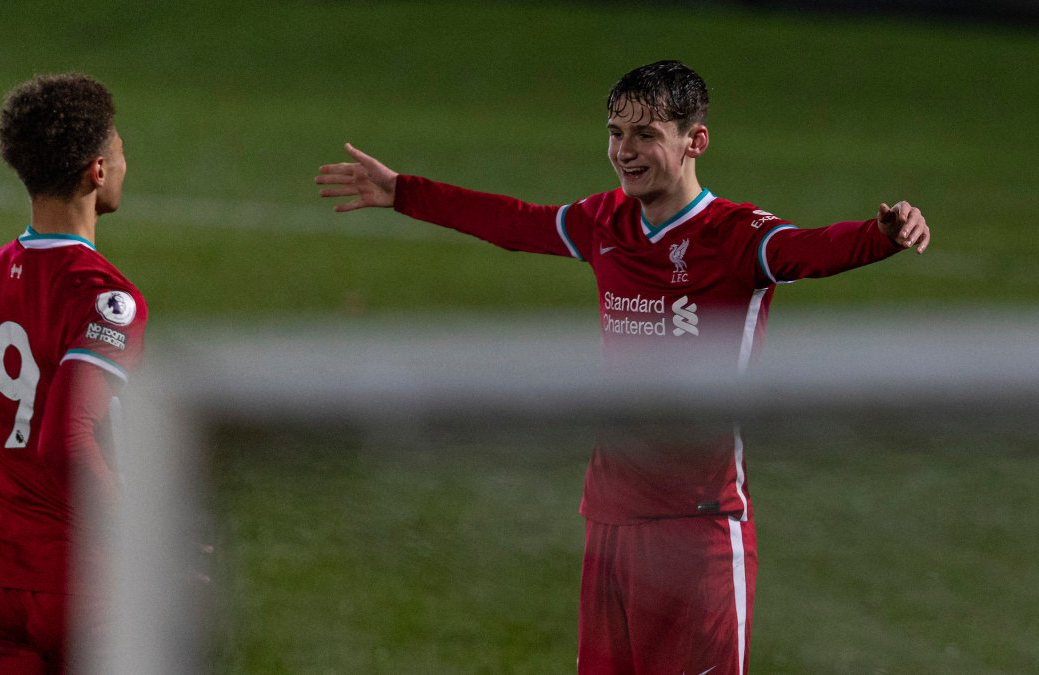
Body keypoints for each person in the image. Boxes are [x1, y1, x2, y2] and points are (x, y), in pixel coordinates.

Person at [315, 60, 930, 675]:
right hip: (610, 522)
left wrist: (882, 234)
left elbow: (809, 250)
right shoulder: (603, 220)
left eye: (645, 135)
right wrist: (403, 193)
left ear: (696, 141)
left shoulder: (736, 234)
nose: (624, 151)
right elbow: (514, 223)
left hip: (699, 531)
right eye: (615, 132)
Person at [0, 73, 146, 674]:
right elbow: (67, 440)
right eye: (121, 151)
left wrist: (23, 498)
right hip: (86, 589)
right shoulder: (109, 298)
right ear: (98, 170)